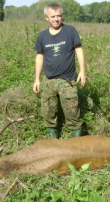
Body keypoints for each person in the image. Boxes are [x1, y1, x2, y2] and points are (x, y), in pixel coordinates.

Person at [33, 3, 86, 139]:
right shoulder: (43, 36)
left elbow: (78, 50)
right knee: (48, 112)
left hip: (67, 80)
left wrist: (82, 71)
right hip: (49, 80)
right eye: (53, 16)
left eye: (59, 16)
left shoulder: (70, 31)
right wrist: (37, 79)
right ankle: (53, 142)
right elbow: (39, 57)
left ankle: (76, 144)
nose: (56, 19)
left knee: (73, 113)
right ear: (47, 18)